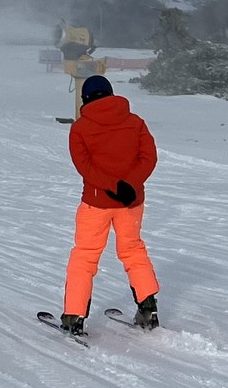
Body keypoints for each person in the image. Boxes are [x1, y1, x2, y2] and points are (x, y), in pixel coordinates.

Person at [59, 74, 159, 334]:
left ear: (85, 98)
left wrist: (112, 186)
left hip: (96, 203)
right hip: (131, 202)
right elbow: (148, 157)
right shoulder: (135, 122)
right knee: (133, 250)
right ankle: (148, 308)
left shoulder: (80, 128)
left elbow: (85, 167)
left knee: (85, 256)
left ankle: (74, 317)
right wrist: (129, 185)